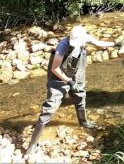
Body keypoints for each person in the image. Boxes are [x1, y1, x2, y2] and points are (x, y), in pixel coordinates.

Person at [26, 26, 118, 156]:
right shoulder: (62, 46)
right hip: (58, 78)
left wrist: (115, 43)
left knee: (80, 97)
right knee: (49, 108)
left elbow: (98, 43)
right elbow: (55, 68)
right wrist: (69, 81)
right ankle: (32, 144)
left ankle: (83, 122)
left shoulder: (84, 38)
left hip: (77, 73)